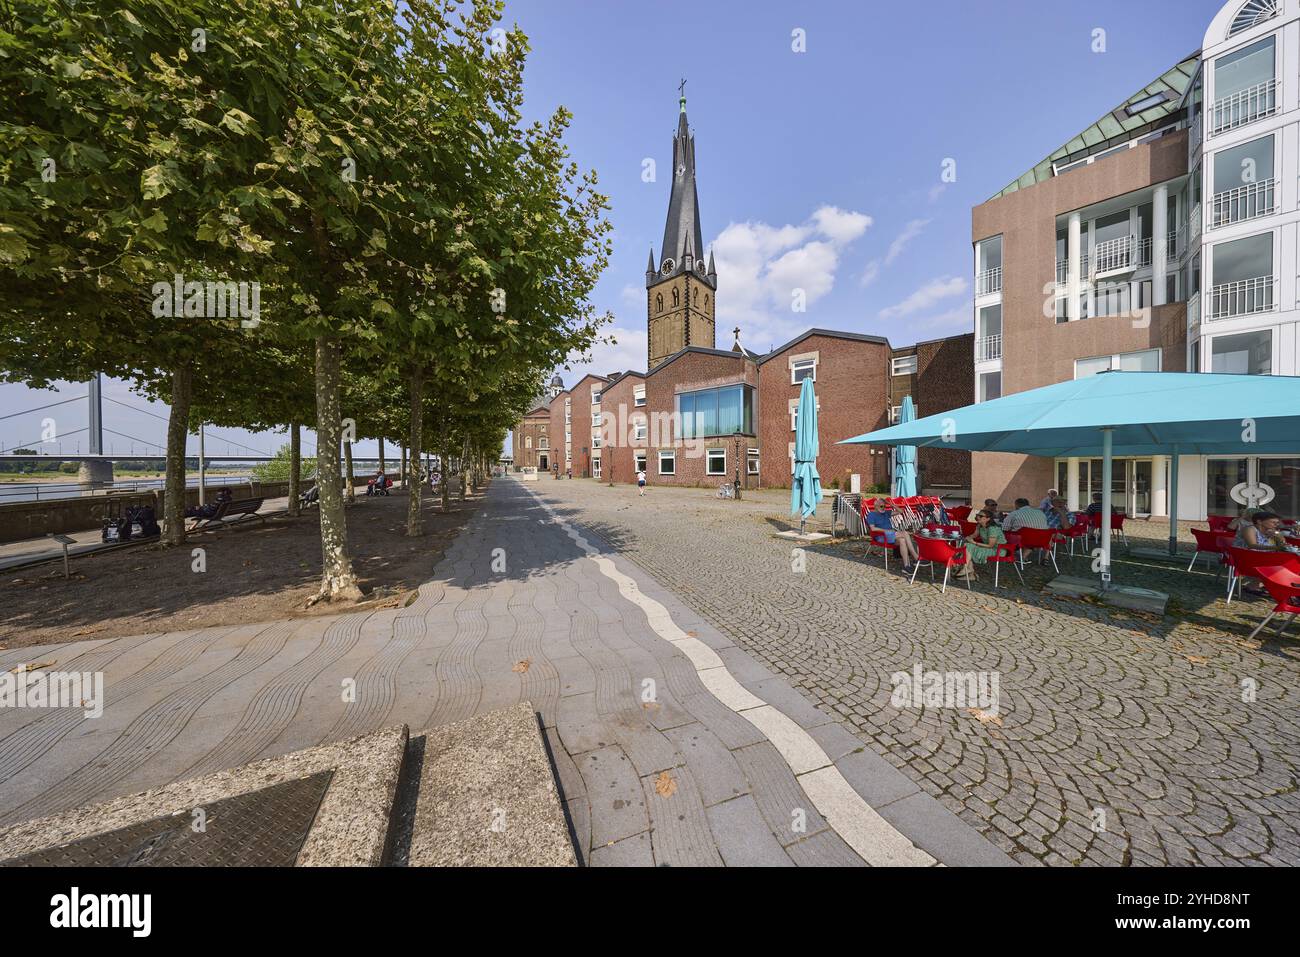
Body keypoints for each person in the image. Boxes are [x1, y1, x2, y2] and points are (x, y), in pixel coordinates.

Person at [865, 499, 919, 570]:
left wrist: (890, 504)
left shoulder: (886, 513)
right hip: (881, 536)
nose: (883, 507)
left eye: (884, 506)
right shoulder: (871, 514)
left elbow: (901, 511)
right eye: (881, 506)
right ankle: (915, 556)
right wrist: (887, 530)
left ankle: (906, 566)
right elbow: (873, 529)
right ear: (876, 506)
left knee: (902, 540)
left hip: (891, 535)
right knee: (905, 533)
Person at [956, 509, 1006, 580]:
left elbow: (990, 545)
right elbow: (974, 535)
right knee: (967, 546)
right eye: (977, 515)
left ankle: (967, 569)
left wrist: (974, 543)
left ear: (988, 519)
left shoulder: (992, 529)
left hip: (998, 550)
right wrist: (967, 538)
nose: (977, 517)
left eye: (980, 516)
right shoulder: (980, 526)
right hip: (988, 548)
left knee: (969, 547)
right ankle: (969, 571)